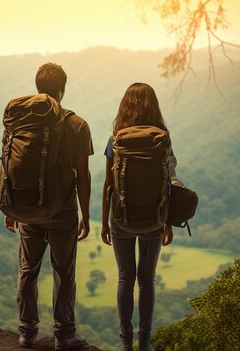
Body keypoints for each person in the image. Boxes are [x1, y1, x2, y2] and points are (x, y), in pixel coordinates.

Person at [4, 62, 93, 350]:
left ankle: (27, 332)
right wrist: (86, 214)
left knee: (28, 269)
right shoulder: (77, 125)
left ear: (38, 88)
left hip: (27, 207)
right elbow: (83, 175)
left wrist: (10, 208)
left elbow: (8, 164)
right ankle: (64, 335)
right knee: (63, 271)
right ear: (62, 89)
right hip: (63, 210)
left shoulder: (20, 122)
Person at [100, 83, 175, 351]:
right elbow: (168, 182)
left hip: (121, 219)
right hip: (154, 218)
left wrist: (103, 221)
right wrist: (168, 222)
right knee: (147, 280)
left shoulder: (116, 139)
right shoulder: (162, 138)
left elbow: (108, 184)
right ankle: (145, 341)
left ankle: (125, 341)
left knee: (125, 278)